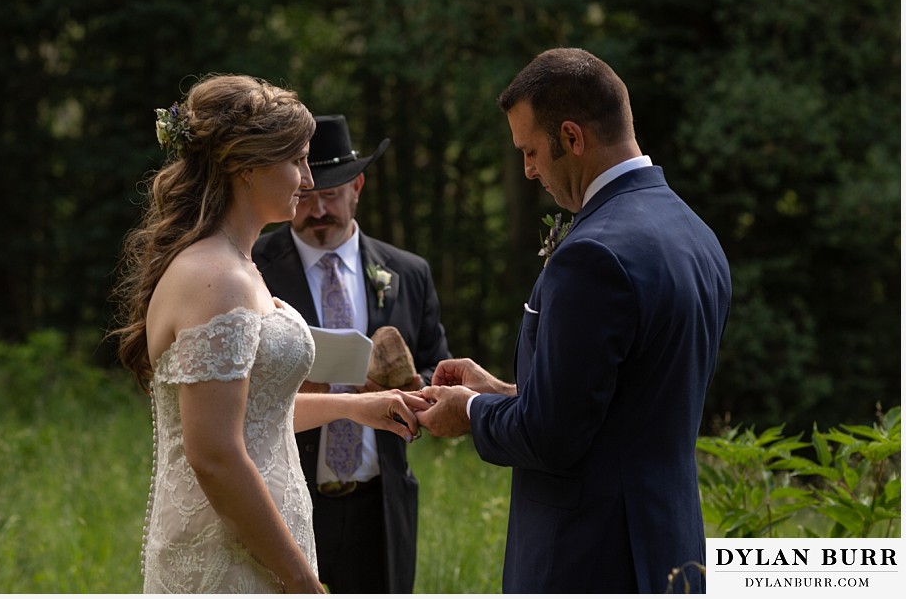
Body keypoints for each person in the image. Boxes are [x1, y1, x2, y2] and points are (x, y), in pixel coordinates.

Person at [415, 48, 732, 594]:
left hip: (589, 555)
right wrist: (505, 391)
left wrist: (470, 411)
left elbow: (553, 437)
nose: (528, 169)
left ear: (572, 137)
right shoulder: (696, 234)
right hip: (670, 544)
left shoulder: (594, 255)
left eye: (531, 151)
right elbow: (623, 408)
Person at [109, 74, 429, 594]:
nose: (307, 179)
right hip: (229, 553)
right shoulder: (217, 280)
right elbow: (213, 453)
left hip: (260, 541)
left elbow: (252, 413)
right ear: (247, 169)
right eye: (297, 160)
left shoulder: (238, 266)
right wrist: (303, 580)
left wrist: (354, 407)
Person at [252, 114, 452, 593]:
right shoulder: (252, 266)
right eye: (306, 196)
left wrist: (407, 387)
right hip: (285, 496)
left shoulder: (408, 272)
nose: (319, 210)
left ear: (357, 186)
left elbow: (436, 370)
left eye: (332, 194)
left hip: (379, 502)